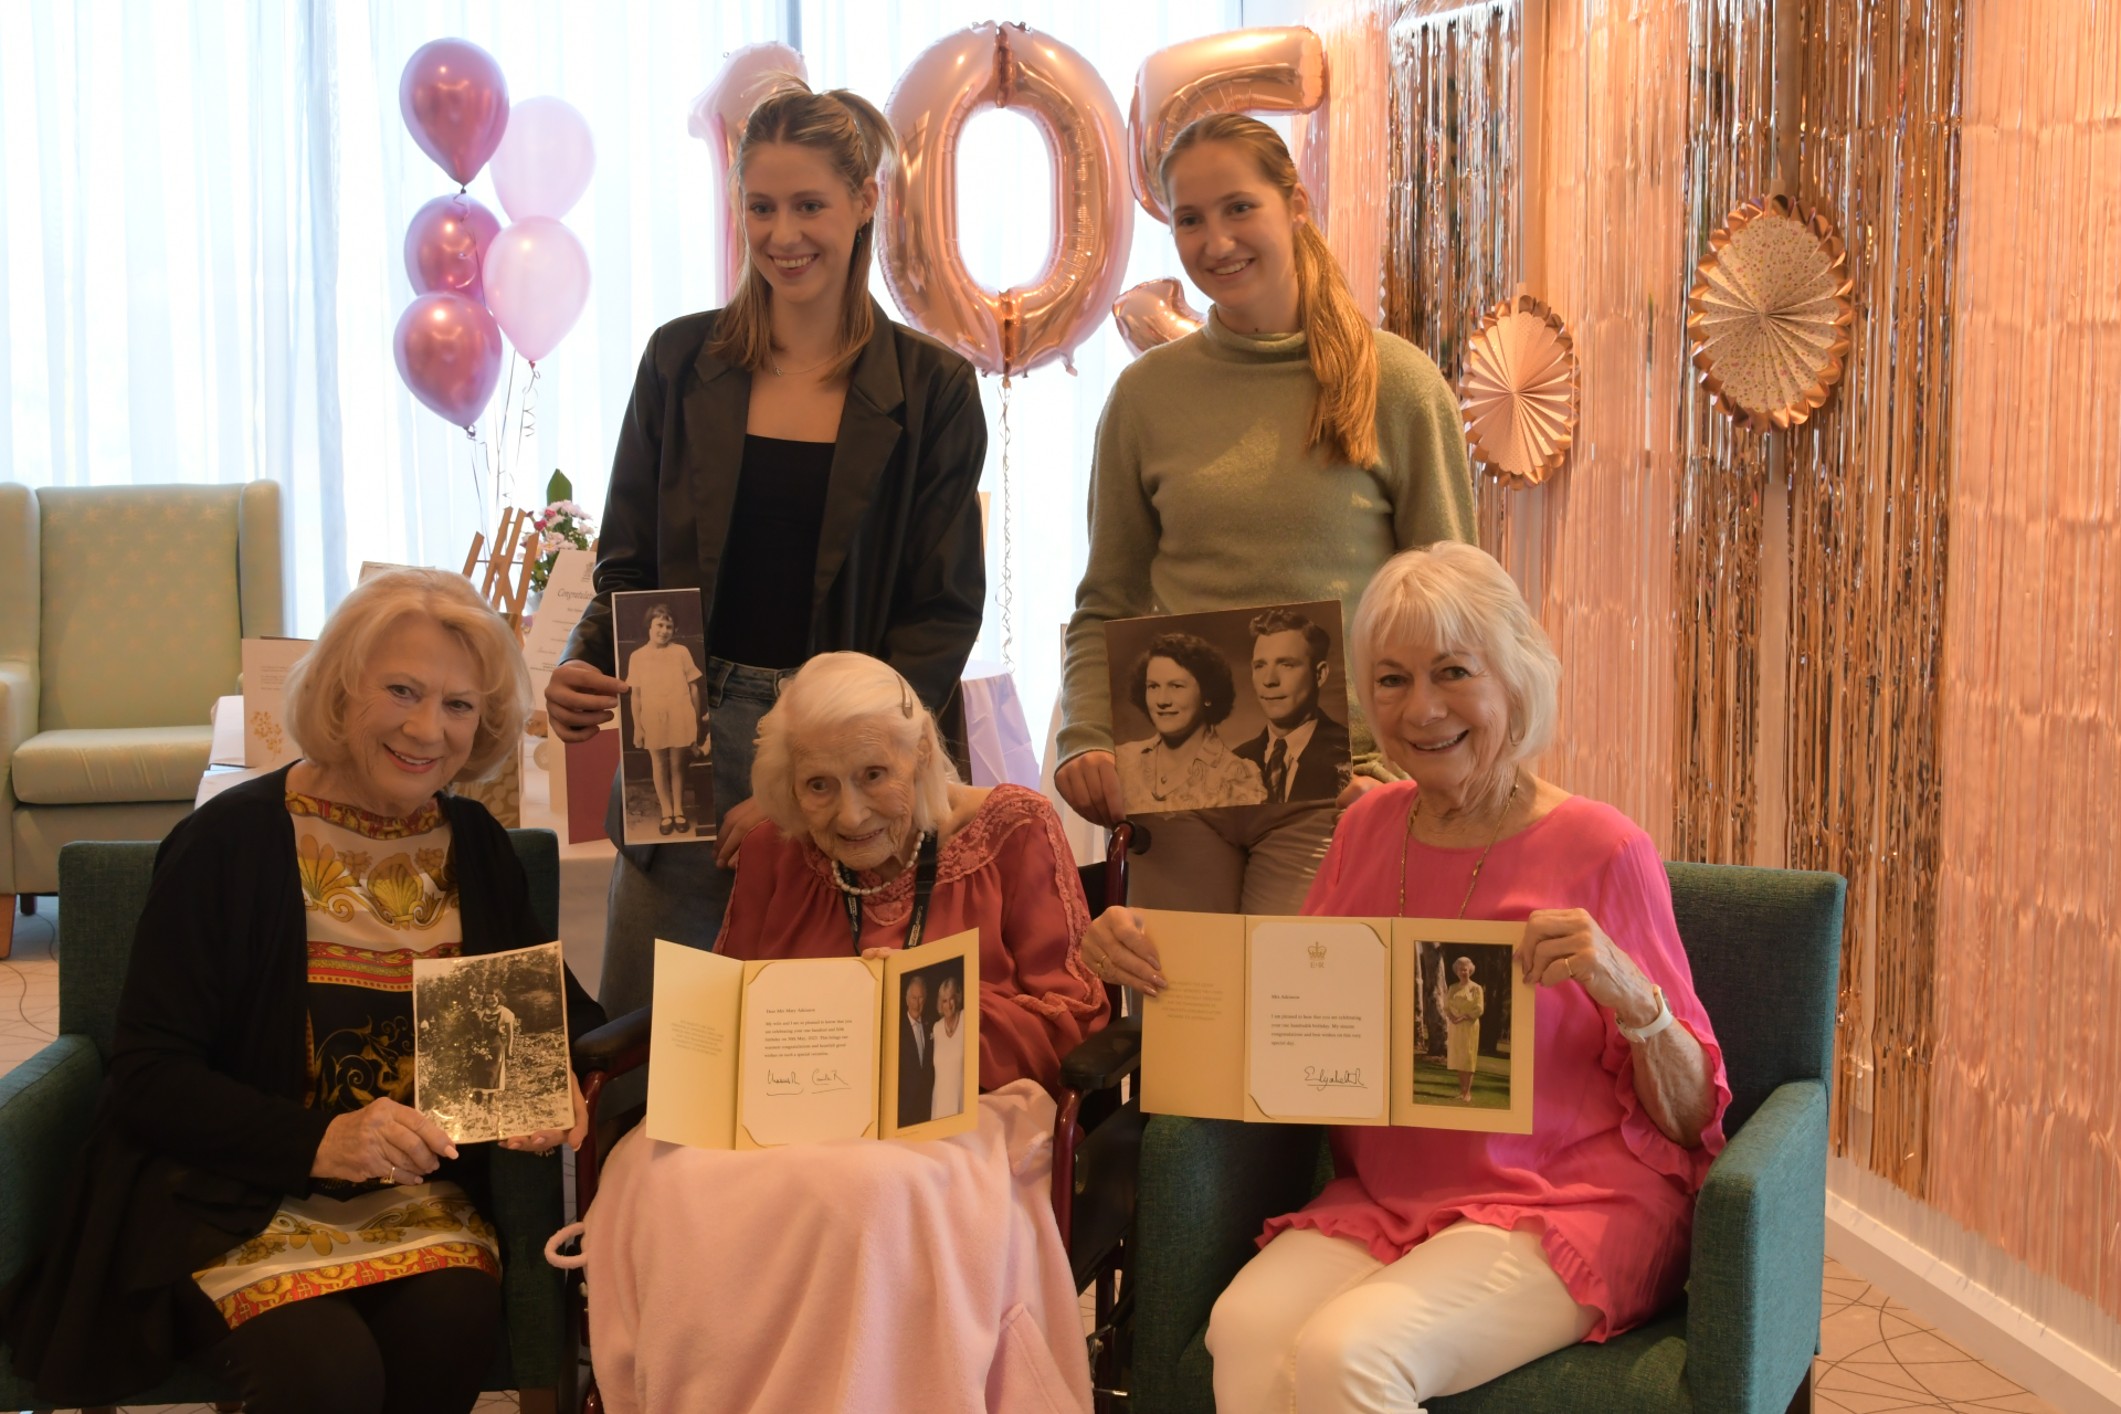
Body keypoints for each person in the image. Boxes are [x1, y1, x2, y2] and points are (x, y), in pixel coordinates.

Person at [1082, 543, 1728, 1411]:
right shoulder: (1363, 828)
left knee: (1350, 1355)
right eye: (1390, 680)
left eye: (1452, 671)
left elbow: (1689, 1121)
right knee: (1242, 1332)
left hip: (1568, 1203)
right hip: (1394, 1198)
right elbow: (1281, 1027)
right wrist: (1147, 950)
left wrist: (1623, 985)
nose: (1421, 709)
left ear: (1516, 679)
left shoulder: (1603, 846)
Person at [0, 569, 602, 1414]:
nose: (429, 729)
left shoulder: (476, 846)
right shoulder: (228, 842)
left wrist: (562, 1082)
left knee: (454, 1327)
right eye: (403, 690)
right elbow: (148, 1075)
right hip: (231, 1194)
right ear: (343, 689)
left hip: (413, 1203)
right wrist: (321, 1142)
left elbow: (560, 1018)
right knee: (324, 1376)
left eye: (460, 705)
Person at [545, 80, 988, 1017]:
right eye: (761, 207)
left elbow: (939, 614)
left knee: (827, 1042)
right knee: (653, 1043)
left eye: (809, 205)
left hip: (849, 749)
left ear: (864, 202)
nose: (784, 234)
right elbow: (626, 561)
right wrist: (583, 664)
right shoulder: (677, 360)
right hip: (681, 731)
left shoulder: (936, 388)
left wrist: (808, 773)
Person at [583, 653, 1109, 1412]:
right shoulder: (774, 846)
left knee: (867, 1190)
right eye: (818, 786)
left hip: (961, 1108)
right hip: (790, 1112)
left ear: (921, 754)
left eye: (873, 776)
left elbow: (1071, 1020)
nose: (849, 815)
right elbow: (734, 1005)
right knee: (665, 1175)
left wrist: (912, 1010)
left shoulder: (1014, 827)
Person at [1056, 112, 1476, 917]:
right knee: (1182, 1029)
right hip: (1176, 781)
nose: (1215, 241)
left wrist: (1402, 768)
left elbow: (1455, 615)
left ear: (1296, 205)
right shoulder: (1145, 397)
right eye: (1188, 218)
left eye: (1238, 207)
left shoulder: (1398, 383)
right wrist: (1088, 736)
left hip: (1341, 784)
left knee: (1296, 1031)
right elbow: (1104, 603)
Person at [1113, 631, 1265, 813]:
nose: (1162, 700)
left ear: (1208, 694)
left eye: (1176, 686)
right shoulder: (1122, 760)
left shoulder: (1238, 777)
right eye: (1153, 686)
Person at [1232, 606, 1352, 805]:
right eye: (1260, 666)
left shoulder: (1347, 754)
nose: (1269, 680)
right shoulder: (1234, 761)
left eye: (1286, 664)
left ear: (1320, 674)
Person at [624, 601, 705, 835]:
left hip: (680, 713)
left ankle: (679, 810)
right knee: (658, 764)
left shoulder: (681, 652)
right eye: (659, 625)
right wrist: (638, 727)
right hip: (652, 717)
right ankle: (666, 812)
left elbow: (694, 688)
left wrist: (696, 721)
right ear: (649, 627)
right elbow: (636, 696)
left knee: (677, 764)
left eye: (669, 627)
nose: (664, 631)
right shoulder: (637, 656)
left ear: (675, 630)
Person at [1442, 955, 1483, 1102]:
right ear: (1456, 971)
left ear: (1470, 970)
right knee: (1459, 1059)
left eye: (1465, 969)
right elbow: (1446, 1006)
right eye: (1460, 969)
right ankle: (1462, 1091)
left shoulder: (1476, 988)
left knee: (1468, 1058)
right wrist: (1452, 1018)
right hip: (1455, 1027)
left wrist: (1463, 1017)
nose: (1462, 972)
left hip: (1470, 1026)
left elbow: (1479, 1009)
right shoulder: (1452, 988)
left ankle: (1468, 1093)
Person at [897, 973, 935, 1126]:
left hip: (927, 1107)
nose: (917, 1003)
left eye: (920, 998)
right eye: (913, 998)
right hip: (904, 1111)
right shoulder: (897, 1028)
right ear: (907, 1000)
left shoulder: (931, 1026)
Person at [929, 973, 968, 1121]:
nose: (949, 1004)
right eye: (945, 1000)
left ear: (957, 998)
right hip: (940, 1103)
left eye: (952, 998)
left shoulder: (966, 1017)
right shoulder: (936, 1028)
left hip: (962, 1101)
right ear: (940, 1003)